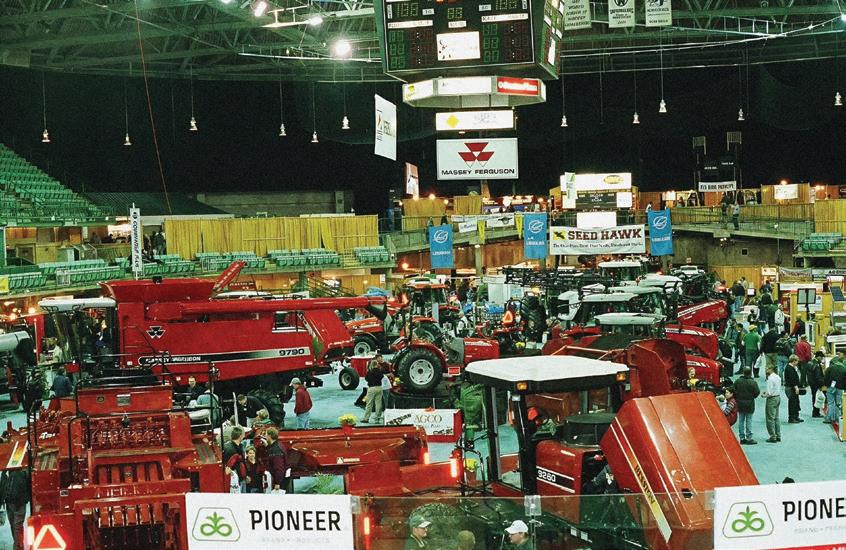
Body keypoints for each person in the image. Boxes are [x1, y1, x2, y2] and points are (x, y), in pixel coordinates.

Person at [0, 468, 30, 550]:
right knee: (14, 526)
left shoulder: (22, 471)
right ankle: (18, 545)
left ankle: (18, 547)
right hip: (9, 503)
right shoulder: (5, 471)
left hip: (19, 503)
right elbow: (2, 486)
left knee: (17, 527)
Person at [734, 367, 760, 444]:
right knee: (749, 421)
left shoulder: (738, 381)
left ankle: (742, 438)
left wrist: (737, 397)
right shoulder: (753, 382)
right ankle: (749, 438)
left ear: (743, 372)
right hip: (749, 404)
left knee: (741, 421)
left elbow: (733, 390)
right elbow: (757, 392)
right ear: (750, 373)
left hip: (740, 403)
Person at [824, 350, 846, 424]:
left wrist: (826, 385)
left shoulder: (830, 368)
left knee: (830, 403)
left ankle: (829, 418)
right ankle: (837, 418)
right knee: (838, 403)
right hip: (840, 388)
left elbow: (825, 378)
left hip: (831, 387)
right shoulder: (844, 369)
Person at [762, 364, 782, 443]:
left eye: (767, 369)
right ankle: (778, 435)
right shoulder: (778, 377)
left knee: (770, 418)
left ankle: (772, 436)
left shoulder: (770, 379)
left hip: (771, 399)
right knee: (776, 417)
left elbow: (769, 393)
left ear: (770, 369)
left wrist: (764, 395)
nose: (766, 370)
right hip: (778, 397)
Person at [265, 427, 290, 493]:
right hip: (281, 478)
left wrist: (277, 482)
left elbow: (279, 467)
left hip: (280, 481)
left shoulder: (276, 450)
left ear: (269, 436)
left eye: (266, 434)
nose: (265, 437)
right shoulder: (278, 445)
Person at [223, 426, 247, 493]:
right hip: (234, 482)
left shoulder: (240, 446)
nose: (244, 436)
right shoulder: (230, 449)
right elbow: (228, 467)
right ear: (240, 436)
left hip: (241, 478)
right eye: (243, 435)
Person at [784, 355, 803, 424]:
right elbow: (792, 379)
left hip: (792, 388)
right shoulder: (789, 369)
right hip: (791, 388)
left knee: (796, 402)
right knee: (792, 404)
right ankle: (791, 418)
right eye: (797, 361)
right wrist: (796, 387)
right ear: (793, 361)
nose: (797, 362)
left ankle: (795, 417)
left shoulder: (791, 367)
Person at [807, 351, 826, 418]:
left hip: (812, 383)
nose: (822, 359)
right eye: (821, 357)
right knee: (817, 398)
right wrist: (821, 385)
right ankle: (816, 413)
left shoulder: (810, 362)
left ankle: (815, 412)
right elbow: (818, 377)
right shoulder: (817, 365)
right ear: (818, 357)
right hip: (816, 384)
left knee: (814, 397)